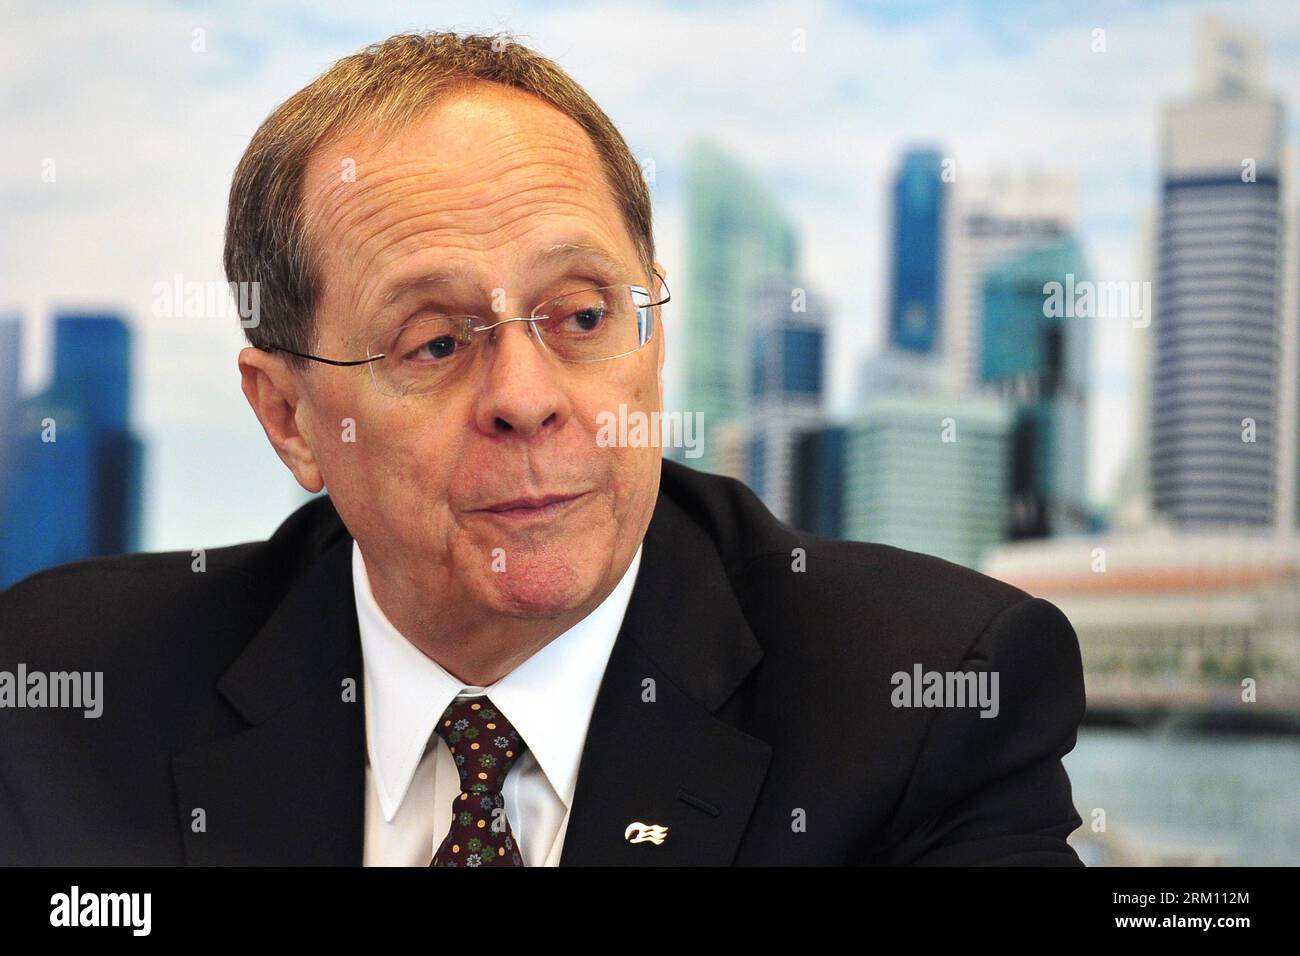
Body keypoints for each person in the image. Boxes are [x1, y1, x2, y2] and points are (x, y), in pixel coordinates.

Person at [0, 31, 1085, 866]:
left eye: (581, 317)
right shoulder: (60, 695)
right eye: (432, 341)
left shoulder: (928, 695)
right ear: (289, 416)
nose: (527, 399)